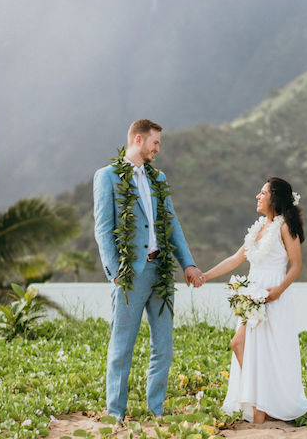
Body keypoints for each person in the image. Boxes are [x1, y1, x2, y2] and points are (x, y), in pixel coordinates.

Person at [93, 119, 204, 420]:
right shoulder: (107, 177)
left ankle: (156, 410)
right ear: (138, 140)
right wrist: (115, 272)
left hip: (161, 270)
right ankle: (115, 413)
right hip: (130, 275)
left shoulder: (158, 178)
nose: (158, 149)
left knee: (163, 346)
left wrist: (188, 263)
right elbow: (103, 229)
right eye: (155, 143)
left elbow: (172, 223)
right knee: (122, 347)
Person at [202, 177, 307, 424]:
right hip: (253, 296)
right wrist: (205, 276)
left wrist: (278, 291)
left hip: (272, 295)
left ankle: (261, 407)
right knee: (241, 345)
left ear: (275, 198)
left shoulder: (284, 227)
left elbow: (297, 265)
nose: (258, 196)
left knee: (260, 351)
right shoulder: (259, 228)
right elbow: (235, 259)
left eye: (263, 193)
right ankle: (259, 404)